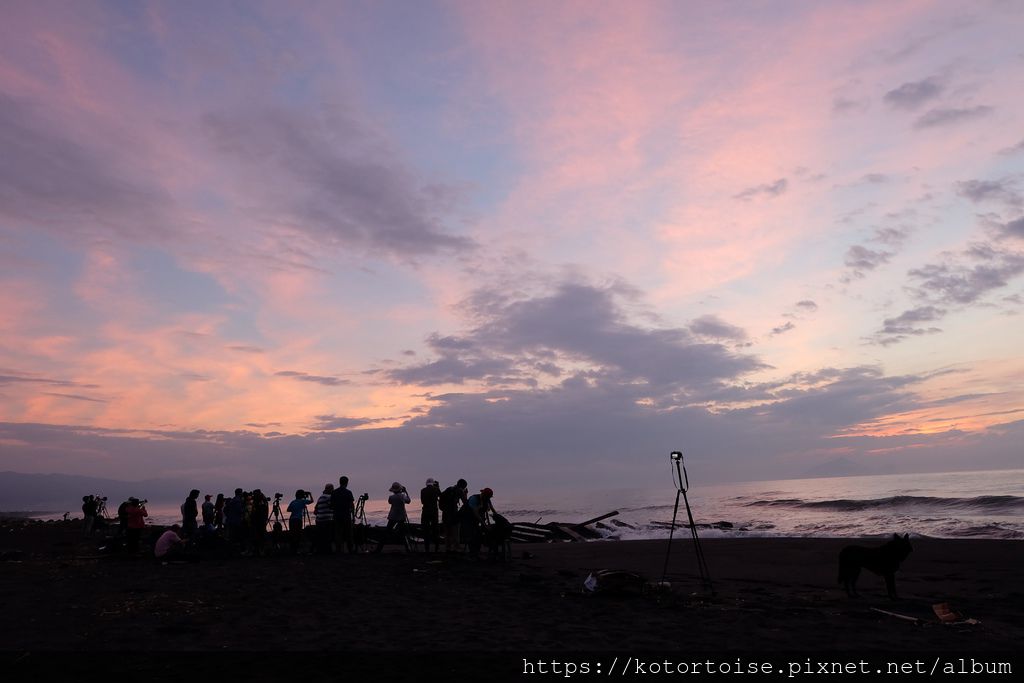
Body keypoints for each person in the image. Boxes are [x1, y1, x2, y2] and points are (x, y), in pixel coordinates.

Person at [375, 482, 411, 553]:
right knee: (403, 534)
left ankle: (379, 549)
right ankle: (408, 549)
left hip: (392, 516)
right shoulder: (403, 496)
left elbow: (390, 502)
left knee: (386, 533)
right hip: (401, 516)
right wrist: (405, 492)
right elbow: (409, 501)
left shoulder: (391, 497)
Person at [461, 487, 495, 558]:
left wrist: (496, 518)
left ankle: (477, 551)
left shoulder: (487, 499)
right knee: (471, 535)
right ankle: (472, 553)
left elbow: (491, 510)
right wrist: (484, 524)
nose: (489, 498)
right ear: (484, 495)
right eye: (488, 497)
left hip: (476, 519)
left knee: (479, 534)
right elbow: (476, 514)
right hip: (467, 518)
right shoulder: (474, 499)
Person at [441, 479, 468, 553]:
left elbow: (441, 497)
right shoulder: (460, 491)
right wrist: (465, 493)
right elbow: (465, 502)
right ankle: (456, 548)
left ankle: (448, 548)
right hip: (454, 513)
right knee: (455, 531)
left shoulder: (449, 489)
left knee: (447, 532)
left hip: (445, 513)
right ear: (463, 486)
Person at [331, 476, 356, 554]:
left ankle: (338, 549)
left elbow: (331, 505)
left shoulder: (334, 492)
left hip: (337, 515)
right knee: (349, 533)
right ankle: (350, 549)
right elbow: (352, 505)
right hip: (346, 515)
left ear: (340, 482)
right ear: (347, 483)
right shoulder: (348, 492)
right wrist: (353, 515)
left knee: (338, 533)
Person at [287, 490, 312, 554]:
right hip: (298, 520)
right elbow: (311, 501)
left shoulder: (293, 502)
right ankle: (296, 550)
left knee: (292, 534)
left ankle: (292, 549)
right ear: (302, 495)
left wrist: (295, 508)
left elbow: (288, 509)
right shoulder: (303, 501)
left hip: (292, 520)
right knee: (298, 534)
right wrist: (310, 494)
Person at [420, 478, 441, 553]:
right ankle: (436, 548)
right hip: (434, 511)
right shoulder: (436, 489)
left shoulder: (422, 490)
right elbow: (440, 496)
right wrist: (438, 487)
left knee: (426, 530)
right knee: (435, 530)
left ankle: (427, 549)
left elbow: (422, 501)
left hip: (425, 511)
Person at [314, 484, 335, 554]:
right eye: (332, 489)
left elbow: (315, 510)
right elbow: (332, 506)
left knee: (321, 536)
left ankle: (320, 550)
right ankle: (328, 551)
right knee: (328, 536)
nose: (333, 490)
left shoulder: (320, 497)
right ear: (330, 489)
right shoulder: (329, 497)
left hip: (319, 519)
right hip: (327, 519)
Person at [250, 489, 269, 556]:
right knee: (260, 535)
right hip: (260, 520)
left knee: (260, 535)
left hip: (260, 520)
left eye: (254, 494)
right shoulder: (262, 500)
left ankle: (261, 550)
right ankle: (260, 550)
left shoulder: (261, 501)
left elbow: (260, 511)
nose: (253, 496)